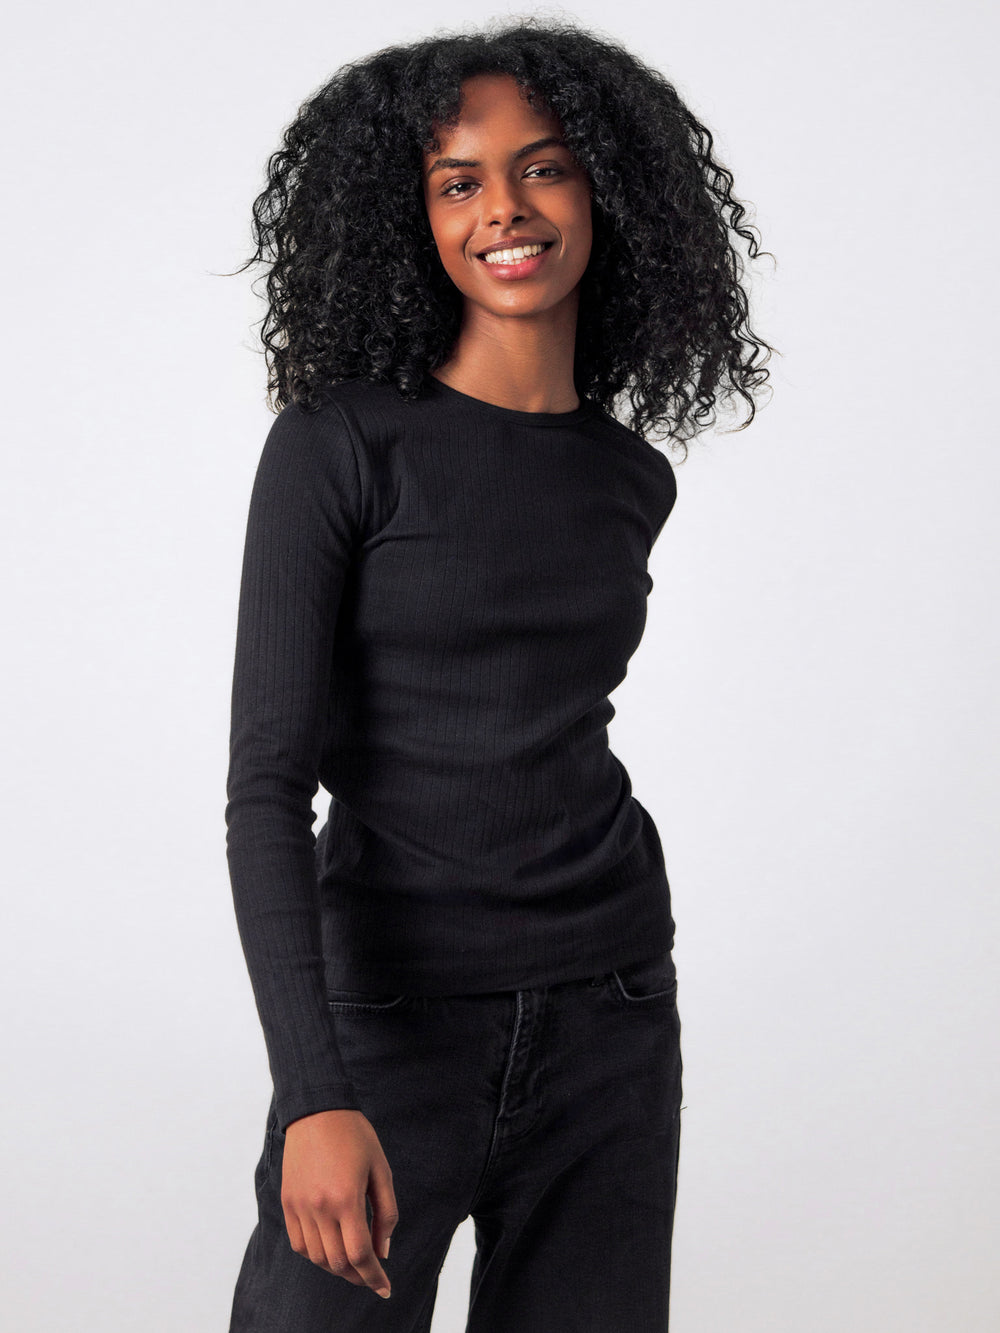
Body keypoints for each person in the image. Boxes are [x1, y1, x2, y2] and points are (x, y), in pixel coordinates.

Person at [223, 17, 774, 1332]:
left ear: (607, 190)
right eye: (457, 180)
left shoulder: (629, 477)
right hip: (385, 1019)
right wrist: (314, 1092)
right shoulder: (340, 445)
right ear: (410, 218)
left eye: (544, 167)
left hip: (611, 1011)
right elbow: (266, 791)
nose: (505, 210)